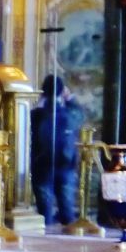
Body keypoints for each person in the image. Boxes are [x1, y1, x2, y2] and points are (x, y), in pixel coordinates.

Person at [31, 74, 86, 225]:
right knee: (68, 213)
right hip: (66, 165)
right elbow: (81, 114)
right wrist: (70, 98)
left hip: (42, 166)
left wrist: (40, 102)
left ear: (43, 93)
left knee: (44, 215)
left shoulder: (36, 116)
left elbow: (28, 121)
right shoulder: (71, 114)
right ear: (63, 92)